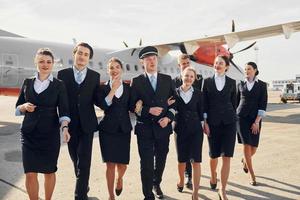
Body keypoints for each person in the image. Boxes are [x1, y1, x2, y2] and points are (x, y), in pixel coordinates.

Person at [15, 48, 71, 200]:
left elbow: (64, 111)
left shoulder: (59, 85)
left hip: (50, 134)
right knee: (30, 172)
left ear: (53, 64)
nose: (45, 65)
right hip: (29, 134)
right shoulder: (27, 82)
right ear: (36, 62)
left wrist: (65, 128)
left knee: (49, 171)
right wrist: (24, 107)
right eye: (41, 61)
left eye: (48, 62)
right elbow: (17, 108)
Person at [130, 46, 176, 200]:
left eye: (154, 58)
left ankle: (157, 183)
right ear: (142, 62)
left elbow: (175, 103)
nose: (151, 61)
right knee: (147, 164)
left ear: (157, 60)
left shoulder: (167, 79)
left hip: (163, 128)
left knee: (161, 160)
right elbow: (132, 105)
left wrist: (168, 118)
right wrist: (148, 110)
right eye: (148, 59)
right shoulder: (136, 81)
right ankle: (148, 194)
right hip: (145, 129)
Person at [57, 42, 101, 200]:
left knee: (84, 161)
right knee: (75, 159)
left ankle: (80, 195)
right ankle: (83, 183)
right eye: (80, 53)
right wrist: (63, 125)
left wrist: (113, 93)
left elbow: (98, 100)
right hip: (69, 125)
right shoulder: (63, 75)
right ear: (74, 54)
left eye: (86, 54)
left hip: (87, 125)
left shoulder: (95, 76)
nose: (82, 56)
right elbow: (61, 101)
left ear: (89, 58)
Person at [203, 55, 237, 200]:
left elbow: (234, 103)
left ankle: (222, 189)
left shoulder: (232, 82)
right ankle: (213, 175)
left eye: (220, 63)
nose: (217, 65)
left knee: (227, 156)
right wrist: (205, 122)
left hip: (229, 123)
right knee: (213, 155)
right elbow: (204, 103)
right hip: (213, 123)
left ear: (226, 66)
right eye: (216, 63)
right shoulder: (207, 82)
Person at [98, 57, 132, 200]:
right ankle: (111, 195)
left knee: (123, 164)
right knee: (110, 164)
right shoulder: (102, 88)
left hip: (124, 129)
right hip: (107, 130)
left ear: (122, 70)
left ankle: (120, 179)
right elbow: (103, 106)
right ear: (108, 71)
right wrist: (112, 90)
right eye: (111, 68)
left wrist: (140, 105)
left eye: (117, 67)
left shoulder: (129, 88)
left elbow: (132, 107)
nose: (114, 70)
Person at [173, 53, 204, 189]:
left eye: (187, 63)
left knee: (195, 158)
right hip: (180, 125)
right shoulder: (173, 82)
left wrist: (204, 123)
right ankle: (186, 175)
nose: (185, 65)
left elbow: (201, 105)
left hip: (194, 125)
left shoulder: (197, 80)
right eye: (183, 63)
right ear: (179, 65)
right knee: (182, 156)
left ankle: (190, 177)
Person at [236, 62, 268, 186]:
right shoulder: (240, 84)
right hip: (241, 118)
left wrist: (256, 122)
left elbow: (263, 104)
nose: (246, 71)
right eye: (245, 69)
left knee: (254, 147)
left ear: (255, 70)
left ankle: (245, 161)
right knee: (246, 145)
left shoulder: (262, 85)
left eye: (249, 69)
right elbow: (236, 102)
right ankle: (252, 175)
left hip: (255, 119)